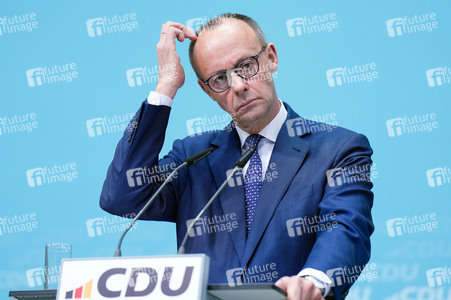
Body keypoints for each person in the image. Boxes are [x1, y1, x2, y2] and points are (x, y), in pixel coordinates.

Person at [100, 13, 374, 300]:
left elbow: (345, 227)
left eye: (246, 66)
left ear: (271, 57)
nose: (239, 86)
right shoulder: (193, 157)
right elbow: (121, 196)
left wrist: (312, 282)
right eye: (219, 79)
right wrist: (165, 87)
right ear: (207, 91)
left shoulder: (339, 148)